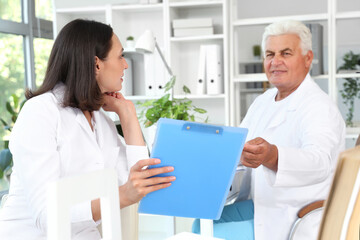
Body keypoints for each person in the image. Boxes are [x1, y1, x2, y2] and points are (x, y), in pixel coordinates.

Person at [0, 19, 175, 239]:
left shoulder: (101, 121)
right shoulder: (40, 112)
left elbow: (139, 180)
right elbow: (47, 217)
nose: (126, 65)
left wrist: (128, 114)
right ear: (96, 64)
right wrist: (121, 196)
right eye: (120, 56)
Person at [193, 20, 345, 240]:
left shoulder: (319, 107)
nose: (276, 62)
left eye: (285, 53)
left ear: (307, 58)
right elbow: (238, 145)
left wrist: (273, 156)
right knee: (202, 222)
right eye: (270, 54)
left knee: (209, 233)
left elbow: (319, 161)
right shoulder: (262, 102)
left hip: (293, 214)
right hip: (262, 205)